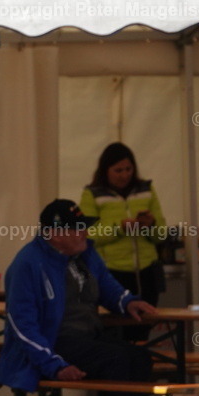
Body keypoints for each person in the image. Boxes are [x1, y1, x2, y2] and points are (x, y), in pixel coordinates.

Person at [0, 199, 157, 396]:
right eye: (76, 228)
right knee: (118, 361)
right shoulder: (27, 264)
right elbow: (23, 327)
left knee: (141, 359)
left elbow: (107, 285)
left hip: (86, 338)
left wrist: (128, 301)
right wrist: (54, 365)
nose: (84, 233)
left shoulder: (85, 255)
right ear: (54, 234)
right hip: (54, 342)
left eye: (84, 227)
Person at [79, 142, 167, 340]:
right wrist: (119, 228)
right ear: (105, 170)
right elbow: (87, 235)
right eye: (118, 170)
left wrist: (151, 224)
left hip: (146, 273)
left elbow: (162, 236)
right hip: (112, 275)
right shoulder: (92, 194)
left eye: (128, 169)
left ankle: (141, 367)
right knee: (114, 333)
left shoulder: (147, 190)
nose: (124, 175)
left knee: (142, 331)